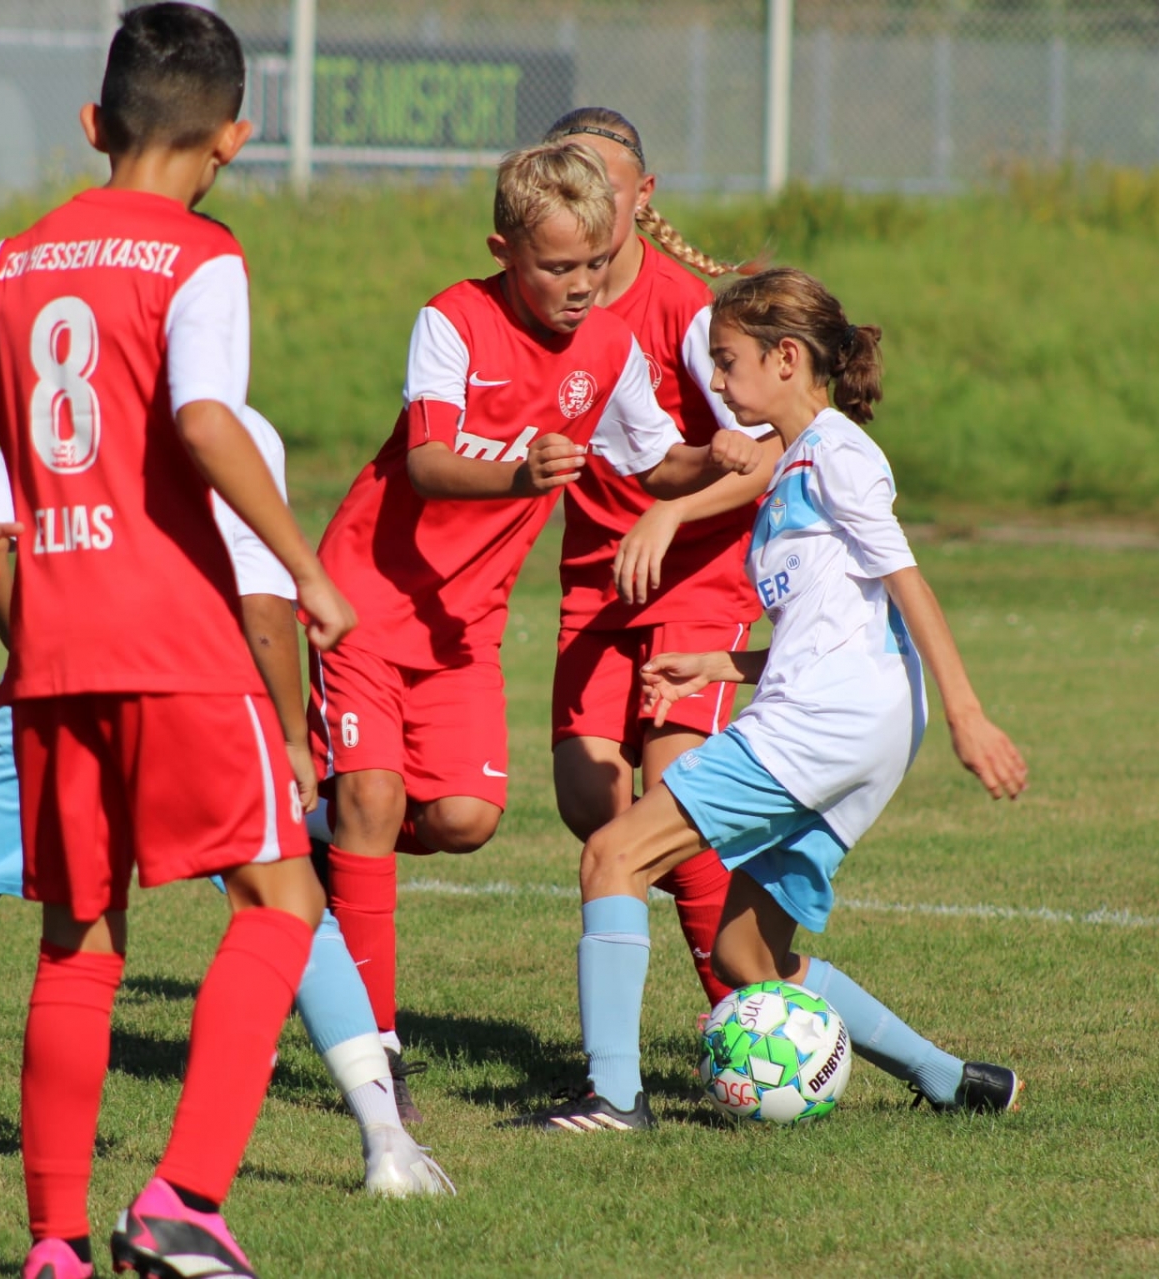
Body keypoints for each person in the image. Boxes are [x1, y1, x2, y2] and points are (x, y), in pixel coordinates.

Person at [0, 7, 359, 1276]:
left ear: (93, 124)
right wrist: (304, 566)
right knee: (282, 899)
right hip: (178, 638)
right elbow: (204, 418)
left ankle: (54, 1248)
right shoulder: (202, 255)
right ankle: (185, 1197)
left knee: (79, 939)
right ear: (234, 138)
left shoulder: (18, 259)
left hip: (53, 647)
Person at [0, 429, 450, 1205]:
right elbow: (263, 600)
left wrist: (44, 668)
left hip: (60, 697)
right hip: (198, 698)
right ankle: (386, 1141)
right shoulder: (226, 420)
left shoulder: (41, 407)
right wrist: (289, 736)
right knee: (292, 906)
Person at [511, 267, 1029, 1134]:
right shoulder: (795, 465)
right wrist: (720, 664)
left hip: (823, 726)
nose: (715, 380)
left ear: (786, 358)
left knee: (613, 854)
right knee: (745, 952)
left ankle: (613, 1097)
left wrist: (969, 715)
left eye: (727, 360)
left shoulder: (836, 455)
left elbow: (908, 585)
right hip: (861, 730)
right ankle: (952, 1080)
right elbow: (833, 624)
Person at [308, 139, 762, 1121]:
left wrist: (714, 456)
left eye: (595, 263)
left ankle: (324, 835)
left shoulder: (611, 347)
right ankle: (376, 1052)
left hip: (463, 624)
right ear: (504, 252)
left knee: (465, 820)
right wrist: (517, 474)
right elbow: (426, 461)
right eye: (558, 266)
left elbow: (654, 463)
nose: (581, 284)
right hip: (364, 597)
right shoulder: (452, 320)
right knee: (376, 799)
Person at [540, 107, 781, 1010]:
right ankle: (741, 1002)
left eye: (605, 185)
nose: (588, 201)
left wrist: (671, 514)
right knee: (590, 803)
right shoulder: (542, 302)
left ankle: (749, 1013)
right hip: (597, 583)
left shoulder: (683, 309)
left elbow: (766, 452)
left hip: (698, 577)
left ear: (643, 196)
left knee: (671, 799)